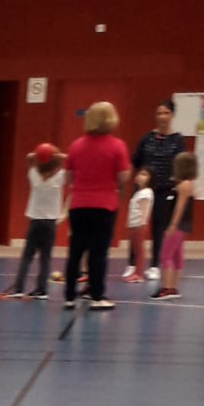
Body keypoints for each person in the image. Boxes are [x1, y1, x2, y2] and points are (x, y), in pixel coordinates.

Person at [61, 102, 131, 310]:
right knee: (98, 252)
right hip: (104, 205)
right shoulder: (117, 146)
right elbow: (122, 177)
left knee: (76, 251)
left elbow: (68, 177)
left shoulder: (76, 145)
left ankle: (69, 296)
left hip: (78, 205)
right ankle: (96, 295)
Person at [131, 100, 187, 277]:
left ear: (172, 115)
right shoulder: (146, 139)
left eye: (166, 113)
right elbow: (136, 161)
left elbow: (180, 165)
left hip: (165, 189)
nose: (162, 117)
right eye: (159, 113)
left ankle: (154, 265)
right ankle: (133, 264)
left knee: (158, 227)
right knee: (136, 225)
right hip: (144, 189)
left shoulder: (178, 140)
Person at [11, 143, 65, 297]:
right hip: (50, 223)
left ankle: (18, 289)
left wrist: (39, 155)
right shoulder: (60, 177)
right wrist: (57, 156)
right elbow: (70, 163)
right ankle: (42, 290)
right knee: (45, 258)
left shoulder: (34, 176)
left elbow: (29, 158)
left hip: (35, 222)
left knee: (27, 256)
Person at [152, 152, 197, 300]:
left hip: (178, 224)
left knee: (165, 255)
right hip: (183, 224)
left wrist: (172, 224)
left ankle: (166, 288)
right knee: (177, 256)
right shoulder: (186, 184)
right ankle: (173, 287)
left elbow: (180, 206)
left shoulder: (184, 186)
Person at [122, 167, 153, 283]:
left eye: (144, 175)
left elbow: (144, 211)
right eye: (140, 174)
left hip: (139, 225)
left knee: (139, 250)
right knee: (135, 250)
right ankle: (136, 272)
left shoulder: (146, 193)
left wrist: (142, 223)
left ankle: (139, 274)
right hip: (133, 224)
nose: (140, 176)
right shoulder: (138, 193)